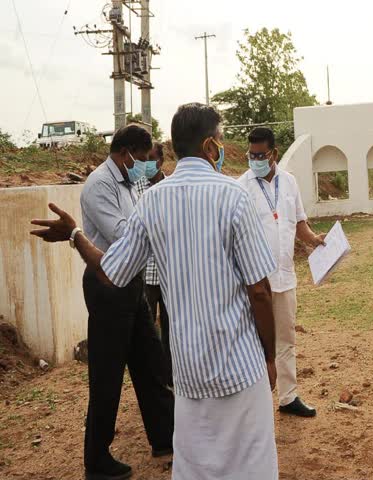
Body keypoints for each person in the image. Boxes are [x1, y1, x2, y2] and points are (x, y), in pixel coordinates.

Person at [31, 103, 280, 480]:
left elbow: (111, 271)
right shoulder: (234, 196)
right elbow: (260, 291)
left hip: (190, 371)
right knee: (252, 465)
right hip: (240, 365)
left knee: (196, 467)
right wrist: (270, 355)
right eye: (223, 140)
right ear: (212, 146)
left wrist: (75, 236)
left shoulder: (152, 201)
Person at [77, 125, 175, 480]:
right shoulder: (99, 186)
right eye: (145, 159)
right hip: (107, 284)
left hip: (130, 282)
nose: (147, 166)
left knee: (151, 363)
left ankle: (165, 436)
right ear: (128, 153)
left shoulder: (126, 182)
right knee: (107, 375)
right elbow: (123, 234)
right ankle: (97, 460)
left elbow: (137, 229)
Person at [238, 127, 325, 418]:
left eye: (261, 155)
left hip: (285, 277)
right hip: (254, 280)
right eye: (252, 155)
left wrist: (314, 240)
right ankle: (258, 399)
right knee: (255, 341)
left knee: (286, 338)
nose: (255, 160)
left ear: (274, 154)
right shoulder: (241, 187)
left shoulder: (289, 182)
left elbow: (299, 223)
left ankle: (288, 396)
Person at [134, 142, 173, 386]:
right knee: (147, 330)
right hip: (147, 273)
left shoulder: (172, 188)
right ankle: (152, 379)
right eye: (143, 160)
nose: (146, 165)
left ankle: (170, 377)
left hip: (170, 272)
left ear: (160, 162)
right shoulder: (135, 188)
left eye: (150, 160)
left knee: (172, 329)